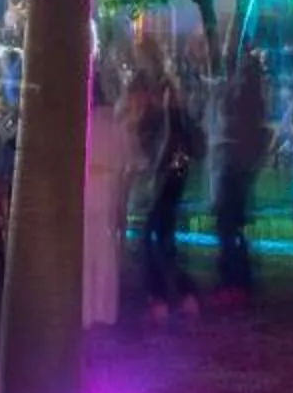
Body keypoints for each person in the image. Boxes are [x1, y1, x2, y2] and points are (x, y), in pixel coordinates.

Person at [123, 47, 203, 320]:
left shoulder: (156, 113)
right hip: (172, 177)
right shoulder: (168, 101)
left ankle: (160, 298)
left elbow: (152, 153)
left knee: (149, 238)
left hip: (162, 179)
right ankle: (181, 295)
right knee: (162, 239)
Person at [212, 49, 270, 309]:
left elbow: (227, 123)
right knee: (232, 225)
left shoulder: (238, 96)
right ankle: (239, 280)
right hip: (239, 166)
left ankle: (233, 282)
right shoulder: (253, 99)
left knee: (227, 225)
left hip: (232, 165)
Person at [82, 64, 135, 328]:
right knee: (105, 251)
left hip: (88, 188)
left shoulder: (83, 123)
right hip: (108, 189)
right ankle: (104, 310)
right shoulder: (116, 125)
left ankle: (87, 311)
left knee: (87, 249)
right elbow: (130, 163)